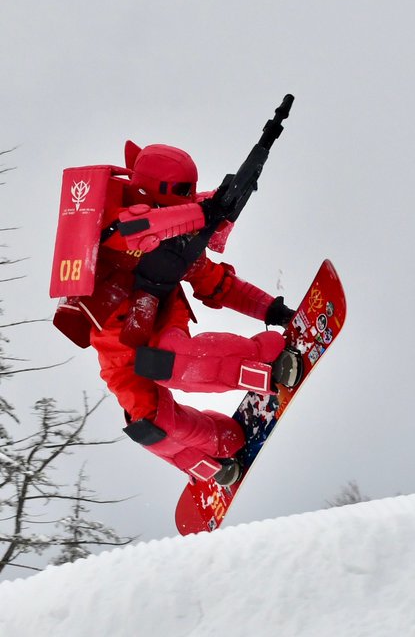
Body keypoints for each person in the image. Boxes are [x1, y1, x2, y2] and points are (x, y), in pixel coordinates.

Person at [53, 141, 300, 486]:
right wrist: (203, 213)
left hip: (161, 320)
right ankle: (215, 450)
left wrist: (272, 310)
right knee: (145, 421)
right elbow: (138, 230)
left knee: (168, 360)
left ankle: (266, 361)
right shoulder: (111, 223)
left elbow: (218, 284)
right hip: (117, 348)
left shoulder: (180, 241)